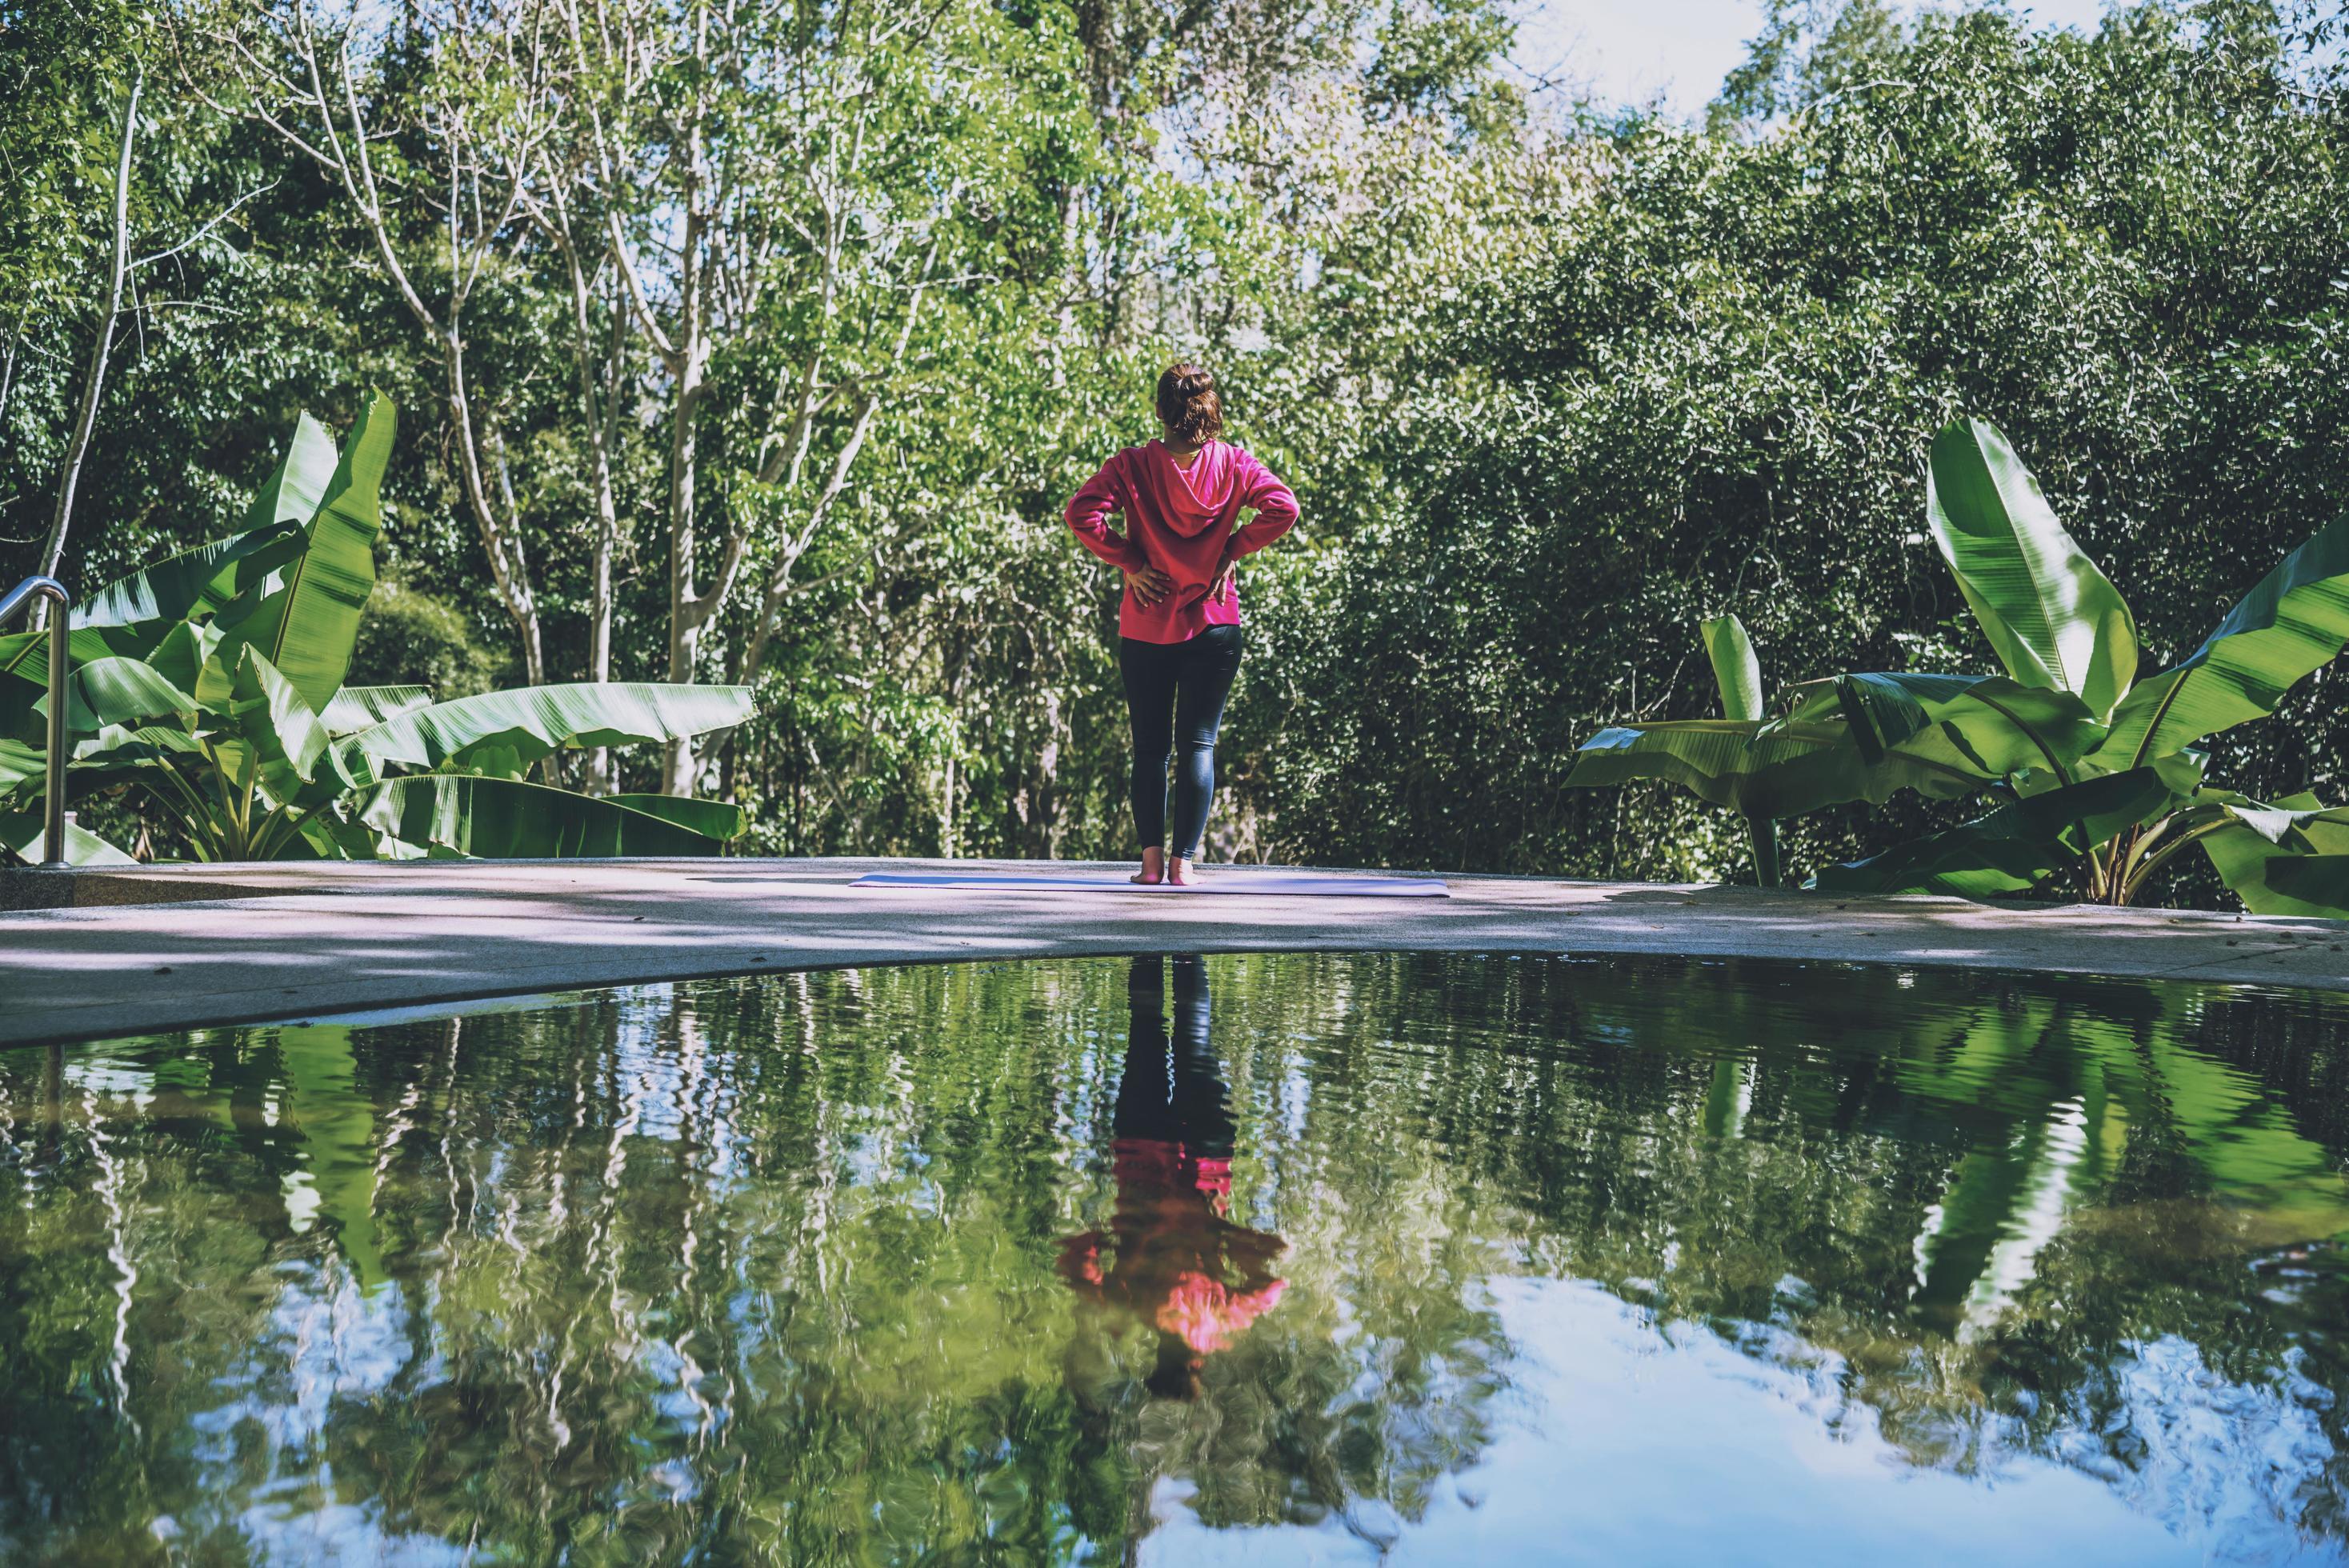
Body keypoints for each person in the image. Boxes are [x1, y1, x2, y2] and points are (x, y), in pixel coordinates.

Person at [1065, 364, 1299, 886]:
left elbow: (1080, 513)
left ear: (1159, 412)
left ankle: (1150, 867)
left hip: (1147, 625)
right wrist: (1233, 548)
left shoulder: (1132, 466)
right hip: (1215, 625)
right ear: (1210, 412)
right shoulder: (1235, 465)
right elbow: (1284, 508)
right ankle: (1183, 866)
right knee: (1198, 744)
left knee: (1150, 747)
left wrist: (1130, 562)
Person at [1058, 955, 1288, 1400]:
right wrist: (1107, 1237)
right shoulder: (1127, 1310)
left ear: (1197, 1362)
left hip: (1207, 1165)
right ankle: (1153, 944)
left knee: (1194, 1040)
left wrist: (1231, 1237)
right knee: (1146, 1033)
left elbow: (1274, 1278)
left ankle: (1187, 946)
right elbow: (1073, 1261)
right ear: (1157, 1358)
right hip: (1142, 1161)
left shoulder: (1224, 1320)